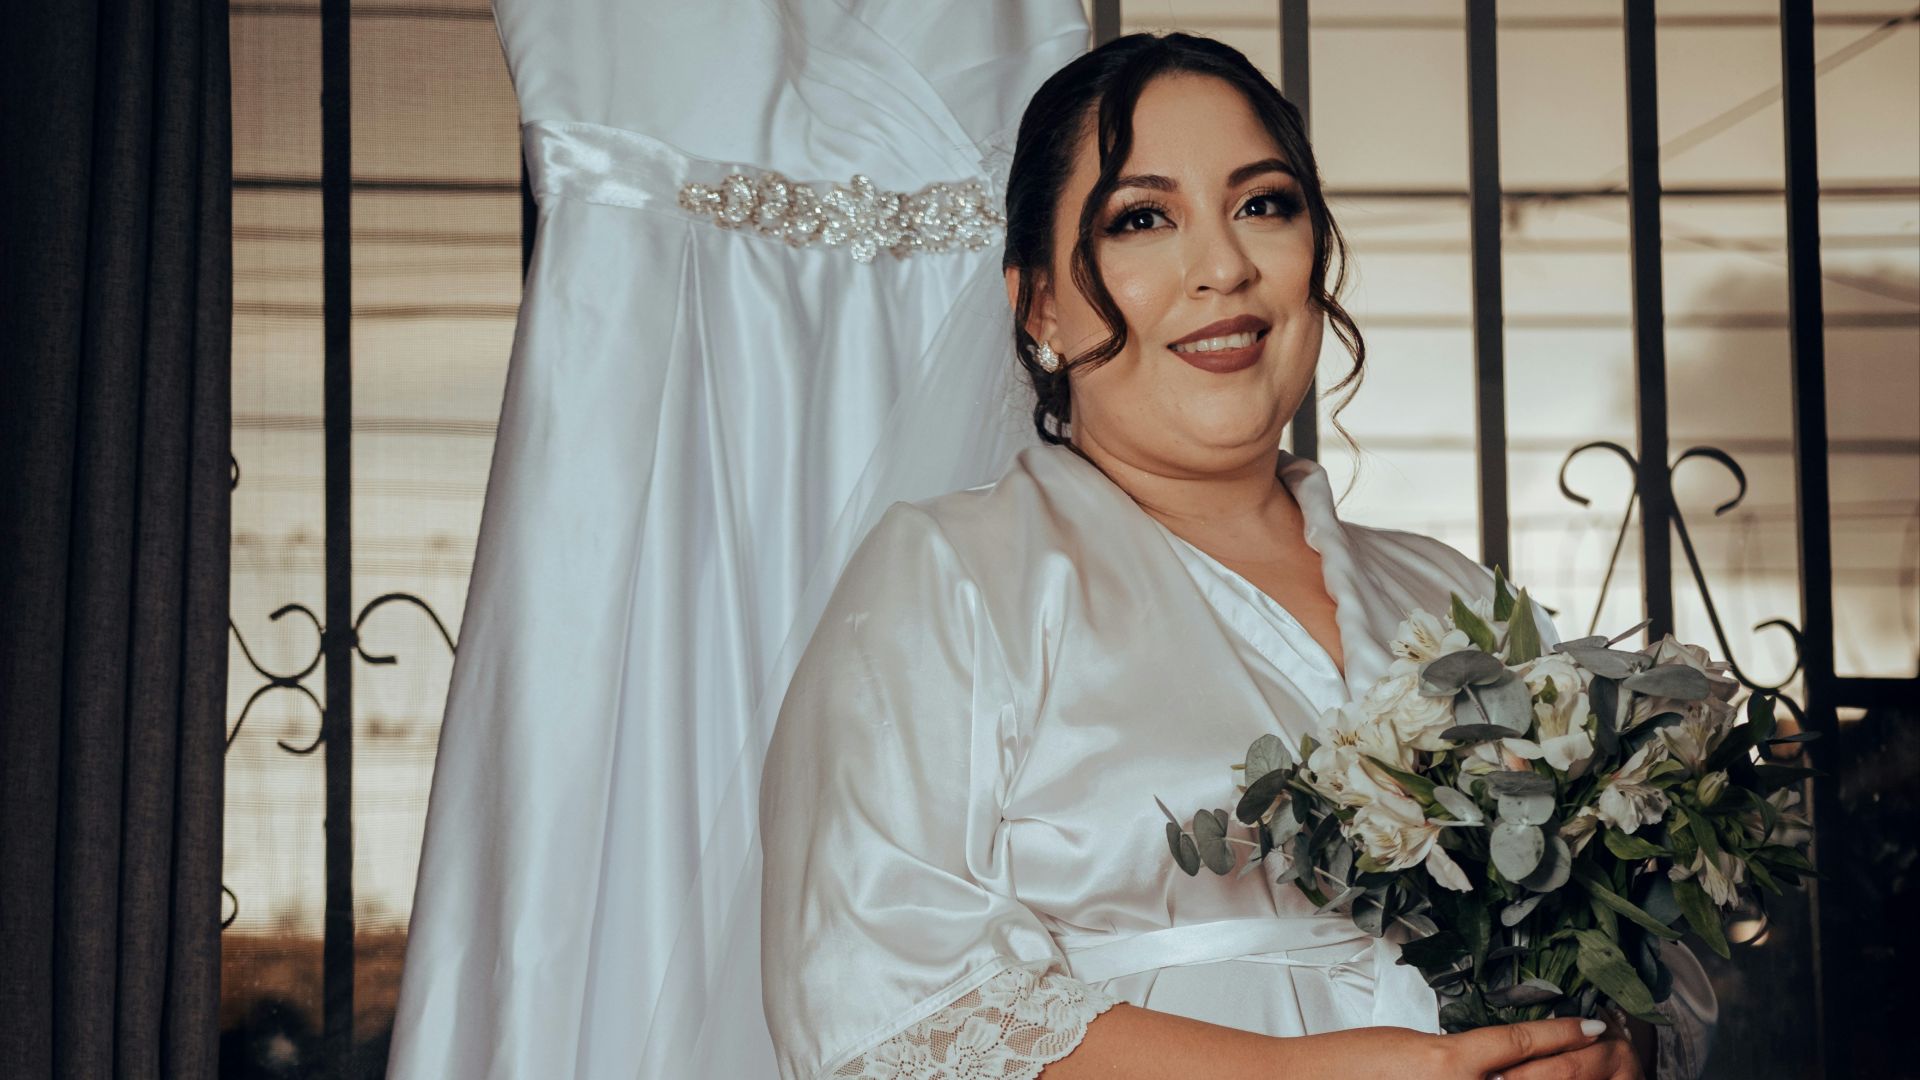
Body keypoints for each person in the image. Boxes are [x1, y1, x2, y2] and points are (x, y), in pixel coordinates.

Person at [758, 32, 1715, 1080]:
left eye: (1264, 204)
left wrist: (1608, 1046)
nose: (1224, 267)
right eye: (1142, 219)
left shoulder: (1452, 594)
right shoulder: (952, 579)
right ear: (1037, 301)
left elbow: (1634, 951)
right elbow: (880, 1007)